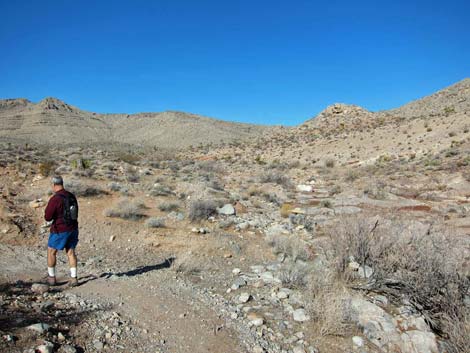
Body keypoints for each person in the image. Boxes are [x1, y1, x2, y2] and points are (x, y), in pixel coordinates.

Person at [44, 175, 79, 286]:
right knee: (71, 252)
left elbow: (48, 217)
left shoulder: (55, 199)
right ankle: (74, 279)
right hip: (73, 228)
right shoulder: (71, 196)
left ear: (54, 185)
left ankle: (51, 278)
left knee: (51, 252)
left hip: (60, 229)